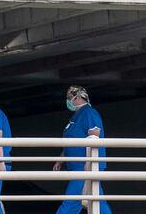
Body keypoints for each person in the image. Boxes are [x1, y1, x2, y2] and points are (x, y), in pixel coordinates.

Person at [53, 86, 112, 214]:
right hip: (77, 165)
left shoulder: (89, 113)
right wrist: (61, 159)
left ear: (78, 97)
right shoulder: (76, 116)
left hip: (84, 165)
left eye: (70, 97)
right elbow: (72, 140)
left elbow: (94, 136)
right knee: (97, 201)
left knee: (71, 201)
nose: (68, 100)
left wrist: (89, 162)